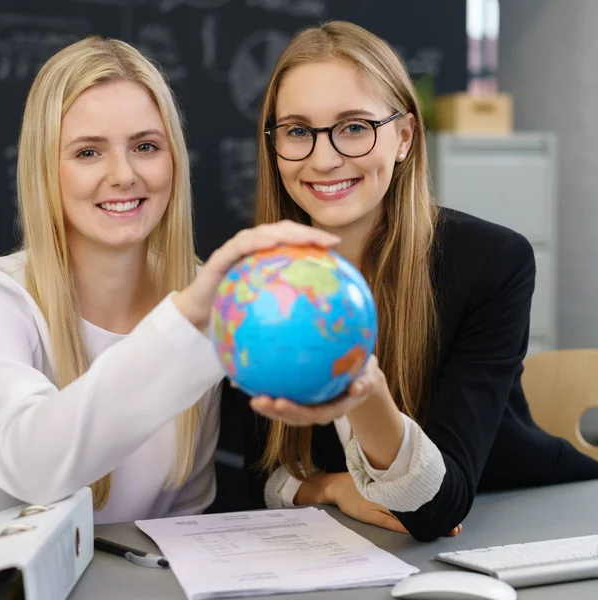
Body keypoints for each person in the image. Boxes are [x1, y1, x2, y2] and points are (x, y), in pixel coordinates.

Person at [231, 20, 598, 542]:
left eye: (354, 127)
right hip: (358, 551)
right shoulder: (257, 275)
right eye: (297, 131)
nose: (324, 157)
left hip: (524, 522)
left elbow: (432, 513)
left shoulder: (491, 261)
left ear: (403, 138)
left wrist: (356, 383)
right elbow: (257, 473)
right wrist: (333, 487)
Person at [0, 35, 343, 523]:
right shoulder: (7, 300)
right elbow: (31, 465)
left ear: (174, 159)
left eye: (145, 146)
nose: (124, 175)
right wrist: (185, 320)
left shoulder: (202, 293)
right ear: (43, 169)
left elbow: (186, 511)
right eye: (88, 153)